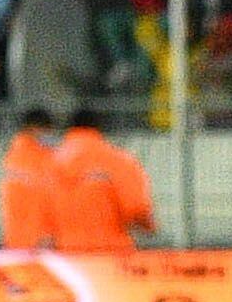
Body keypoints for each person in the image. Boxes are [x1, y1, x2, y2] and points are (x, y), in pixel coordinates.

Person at [46, 108, 154, 253]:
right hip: (111, 251)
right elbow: (137, 207)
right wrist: (148, 226)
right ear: (99, 129)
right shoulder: (118, 159)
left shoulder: (48, 164)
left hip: (65, 255)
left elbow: (38, 213)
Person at [0, 109, 61, 246]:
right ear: (35, 128)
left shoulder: (12, 157)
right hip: (40, 239)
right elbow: (46, 198)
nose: (50, 135)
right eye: (48, 130)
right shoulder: (44, 157)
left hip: (14, 238)